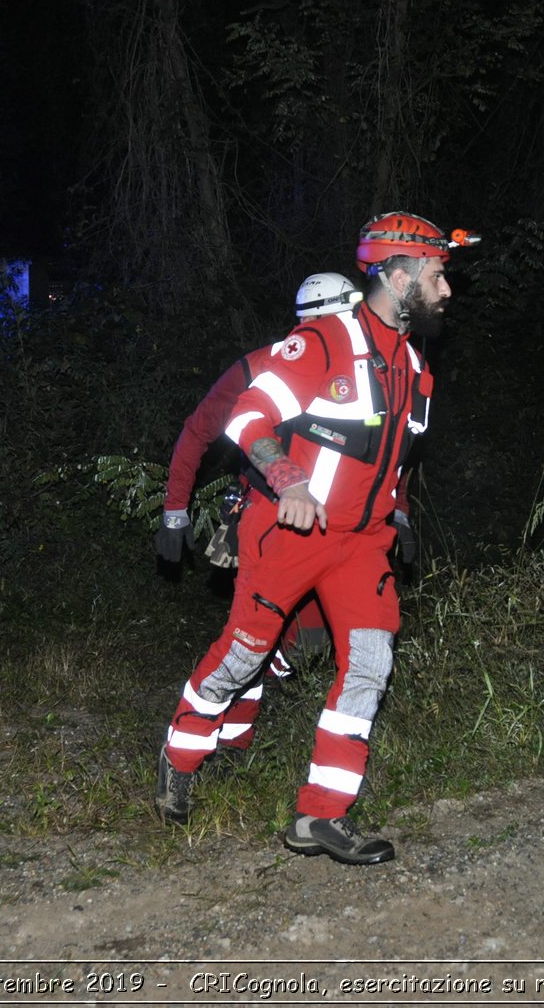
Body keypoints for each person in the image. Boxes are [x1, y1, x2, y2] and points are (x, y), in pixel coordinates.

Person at [155, 211, 473, 865]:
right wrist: (285, 472)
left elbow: (392, 462)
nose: (446, 291)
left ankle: (321, 815)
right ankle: (181, 749)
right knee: (244, 656)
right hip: (288, 530)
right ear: (399, 273)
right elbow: (247, 414)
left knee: (371, 664)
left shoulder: (418, 370)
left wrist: (400, 519)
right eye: (438, 276)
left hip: (361, 544)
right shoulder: (322, 342)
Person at [154, 273, 367, 764]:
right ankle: (229, 744)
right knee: (251, 637)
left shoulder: (363, 373)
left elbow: (388, 452)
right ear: (312, 319)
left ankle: (255, 682)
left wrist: (395, 511)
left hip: (335, 530)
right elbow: (197, 432)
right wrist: (173, 512)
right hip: (269, 519)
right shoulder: (260, 367)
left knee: (307, 644)